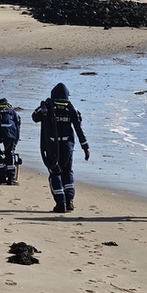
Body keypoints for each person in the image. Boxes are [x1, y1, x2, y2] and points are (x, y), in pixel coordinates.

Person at [32, 83, 90, 212]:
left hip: (51, 146)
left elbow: (34, 117)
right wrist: (85, 147)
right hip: (67, 147)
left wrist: (42, 109)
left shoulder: (48, 106)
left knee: (55, 173)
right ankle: (69, 201)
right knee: (67, 172)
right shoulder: (71, 109)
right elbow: (79, 129)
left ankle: (60, 203)